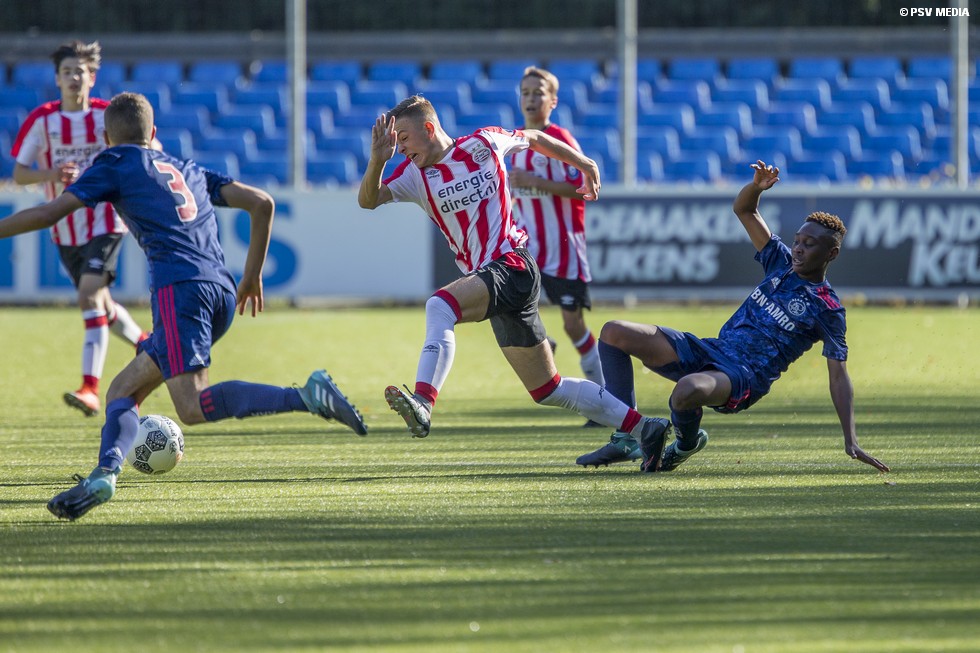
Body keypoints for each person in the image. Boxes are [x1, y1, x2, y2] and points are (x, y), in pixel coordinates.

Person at [0, 92, 368, 521]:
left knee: (191, 407)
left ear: (106, 137)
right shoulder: (186, 167)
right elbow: (261, 202)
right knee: (123, 390)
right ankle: (104, 475)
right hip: (221, 290)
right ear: (154, 133)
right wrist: (252, 276)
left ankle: (306, 396)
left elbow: (50, 213)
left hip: (179, 290)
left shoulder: (113, 163)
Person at [358, 95, 669, 455]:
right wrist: (377, 160)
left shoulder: (484, 142)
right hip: (495, 279)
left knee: (440, 306)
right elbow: (368, 200)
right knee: (548, 389)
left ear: (429, 129)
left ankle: (424, 403)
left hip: (513, 264)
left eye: (403, 139)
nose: (399, 149)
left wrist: (584, 163)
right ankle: (645, 427)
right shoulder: (413, 176)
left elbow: (534, 139)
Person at [576, 161, 890, 475]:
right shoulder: (780, 262)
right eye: (797, 240)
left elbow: (838, 376)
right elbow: (744, 210)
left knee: (686, 391)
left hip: (743, 377)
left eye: (809, 245)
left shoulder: (827, 308)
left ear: (831, 254)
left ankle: (685, 444)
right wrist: (756, 187)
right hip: (711, 350)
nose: (798, 249)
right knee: (614, 332)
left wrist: (851, 438)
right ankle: (626, 435)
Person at [10, 40, 149, 417]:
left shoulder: (108, 115)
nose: (74, 77)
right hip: (65, 228)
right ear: (57, 79)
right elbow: (20, 174)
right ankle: (147, 344)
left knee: (89, 294)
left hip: (106, 218)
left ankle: (90, 387)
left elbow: (147, 147)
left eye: (81, 71)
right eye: (67, 71)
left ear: (92, 76)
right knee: (100, 303)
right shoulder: (43, 120)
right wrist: (51, 174)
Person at [509, 67, 604, 427]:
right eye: (526, 92)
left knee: (573, 325)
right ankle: (540, 340)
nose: (531, 98)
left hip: (563, 247)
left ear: (553, 101)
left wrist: (536, 180)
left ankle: (604, 396)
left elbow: (584, 187)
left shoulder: (560, 140)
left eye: (538, 92)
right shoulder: (515, 143)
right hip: (528, 249)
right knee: (508, 303)